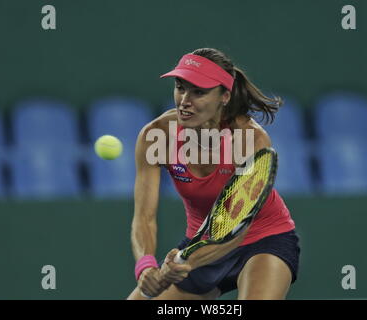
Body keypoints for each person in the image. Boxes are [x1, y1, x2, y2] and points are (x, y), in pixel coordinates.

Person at [127, 48, 300, 300]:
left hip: (264, 240)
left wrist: (186, 263)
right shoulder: (157, 136)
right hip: (200, 242)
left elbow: (236, 229)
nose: (184, 100)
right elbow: (144, 216)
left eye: (198, 92)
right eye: (180, 87)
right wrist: (146, 266)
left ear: (224, 96)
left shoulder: (250, 139)